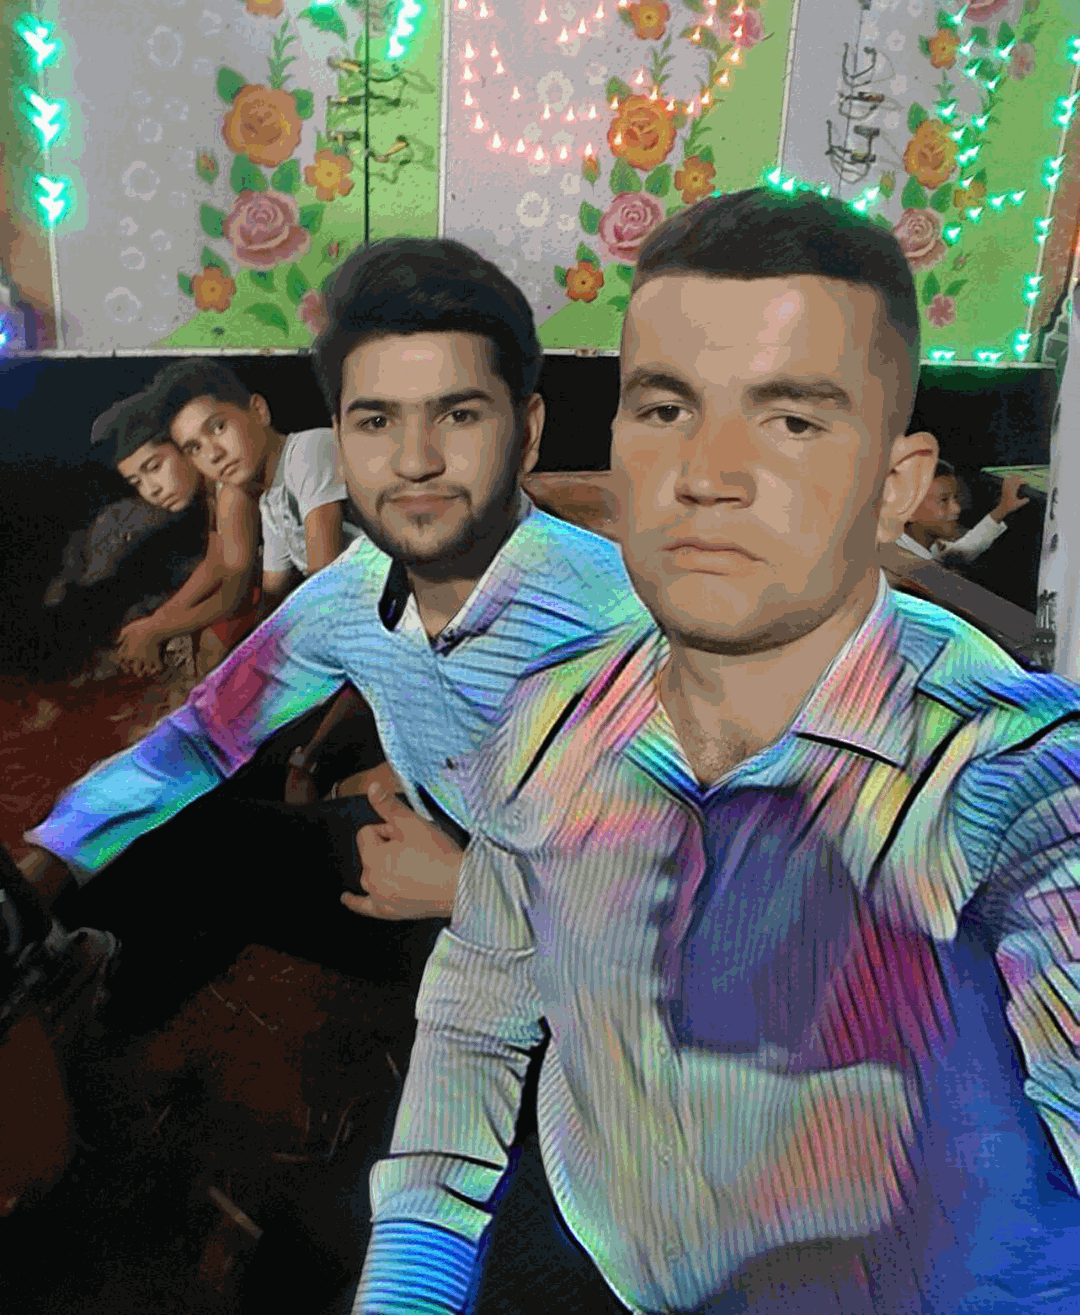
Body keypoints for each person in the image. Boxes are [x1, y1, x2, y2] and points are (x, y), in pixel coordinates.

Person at [356, 189, 1080, 1315]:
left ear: (895, 485)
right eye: (665, 407)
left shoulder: (1010, 778)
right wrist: (411, 1280)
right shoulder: (549, 721)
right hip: (613, 1272)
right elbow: (478, 1009)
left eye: (792, 420)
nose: (707, 474)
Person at [14, 237, 649, 1311]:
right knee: (178, 838)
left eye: (458, 414)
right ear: (339, 437)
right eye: (376, 421)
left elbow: (711, 894)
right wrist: (41, 869)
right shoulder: (352, 592)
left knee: (389, 1247)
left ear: (528, 428)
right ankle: (84, 1070)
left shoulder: (620, 614)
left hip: (567, 959)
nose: (414, 461)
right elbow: (200, 739)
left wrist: (468, 886)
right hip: (406, 872)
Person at [152, 357, 364, 616]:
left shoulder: (307, 451)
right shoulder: (271, 500)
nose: (214, 455)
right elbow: (272, 592)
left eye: (218, 427)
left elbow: (323, 579)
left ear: (258, 411)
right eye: (195, 448)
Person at [88, 386, 263, 678]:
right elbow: (216, 562)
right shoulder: (212, 489)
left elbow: (235, 593)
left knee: (210, 644)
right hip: (259, 581)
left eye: (154, 467)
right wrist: (156, 621)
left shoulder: (230, 490)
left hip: (290, 585)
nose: (151, 490)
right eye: (137, 482)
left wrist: (156, 629)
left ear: (183, 448)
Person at [898, 457, 1029, 563]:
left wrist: (1003, 508)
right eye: (944, 500)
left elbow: (959, 552)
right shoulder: (907, 565)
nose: (957, 508)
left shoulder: (921, 547)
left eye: (955, 498)